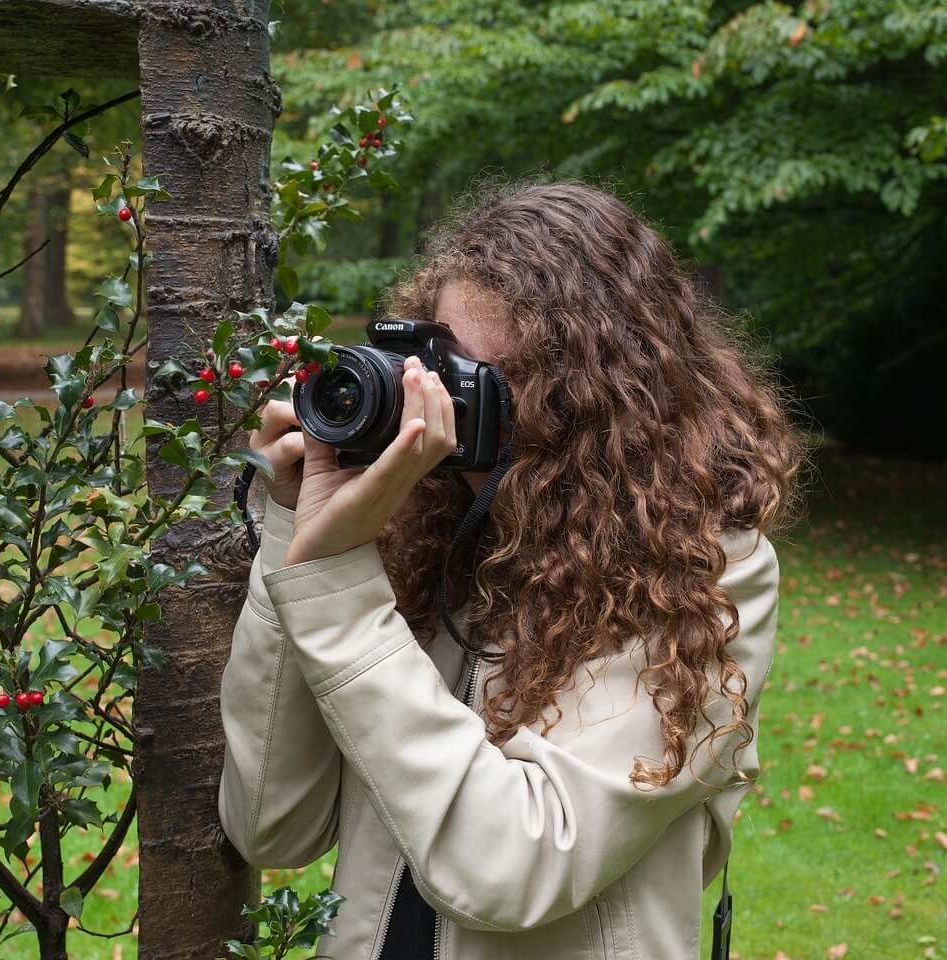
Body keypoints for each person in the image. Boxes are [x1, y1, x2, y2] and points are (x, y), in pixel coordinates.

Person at [217, 179, 805, 960]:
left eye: (487, 384)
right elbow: (270, 823)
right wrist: (302, 526)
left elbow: (513, 866)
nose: (445, 416)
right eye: (440, 370)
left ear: (597, 403)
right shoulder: (418, 531)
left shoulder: (703, 575)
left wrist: (339, 594)